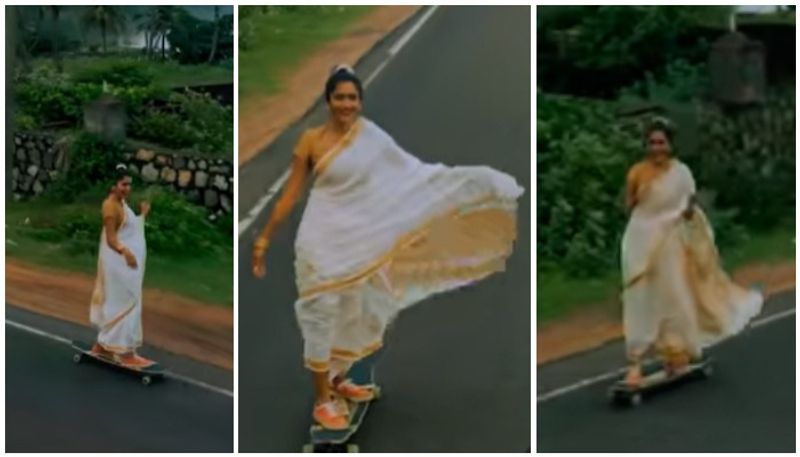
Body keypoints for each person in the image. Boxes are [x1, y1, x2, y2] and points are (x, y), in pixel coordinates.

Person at [252, 65, 524, 429]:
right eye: (339, 97)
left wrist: (472, 184)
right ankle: (322, 400)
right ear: (328, 100)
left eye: (352, 98)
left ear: (360, 102)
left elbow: (413, 176)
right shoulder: (311, 140)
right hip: (320, 241)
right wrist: (265, 237)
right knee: (321, 313)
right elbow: (290, 194)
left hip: (360, 240)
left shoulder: (372, 137)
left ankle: (337, 379)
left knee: (358, 307)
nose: (346, 104)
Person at [621, 118, 763, 386]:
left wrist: (681, 217)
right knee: (639, 299)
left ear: (670, 145)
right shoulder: (636, 172)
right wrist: (647, 211)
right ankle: (635, 363)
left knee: (674, 297)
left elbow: (688, 207)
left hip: (670, 244)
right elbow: (629, 207)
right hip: (640, 242)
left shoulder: (681, 173)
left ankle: (676, 353)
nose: (656, 148)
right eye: (652, 143)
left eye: (661, 142)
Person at [90, 164, 154, 368]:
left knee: (121, 301)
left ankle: (103, 346)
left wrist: (143, 215)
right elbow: (111, 239)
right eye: (123, 184)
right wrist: (125, 252)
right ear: (113, 186)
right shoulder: (110, 207)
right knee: (126, 301)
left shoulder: (121, 203)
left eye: (129, 185)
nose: (127, 188)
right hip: (116, 263)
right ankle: (124, 352)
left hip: (121, 263)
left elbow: (130, 227)